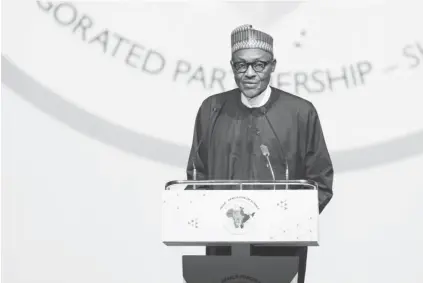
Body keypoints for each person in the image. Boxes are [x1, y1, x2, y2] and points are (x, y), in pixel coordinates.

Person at [186, 24, 334, 283]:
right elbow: (198, 174)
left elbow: (320, 181)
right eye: (241, 66)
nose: (250, 74)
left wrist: (289, 220)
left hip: (282, 247)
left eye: (259, 65)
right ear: (232, 67)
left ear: (273, 65)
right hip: (223, 245)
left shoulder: (300, 112)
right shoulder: (212, 109)